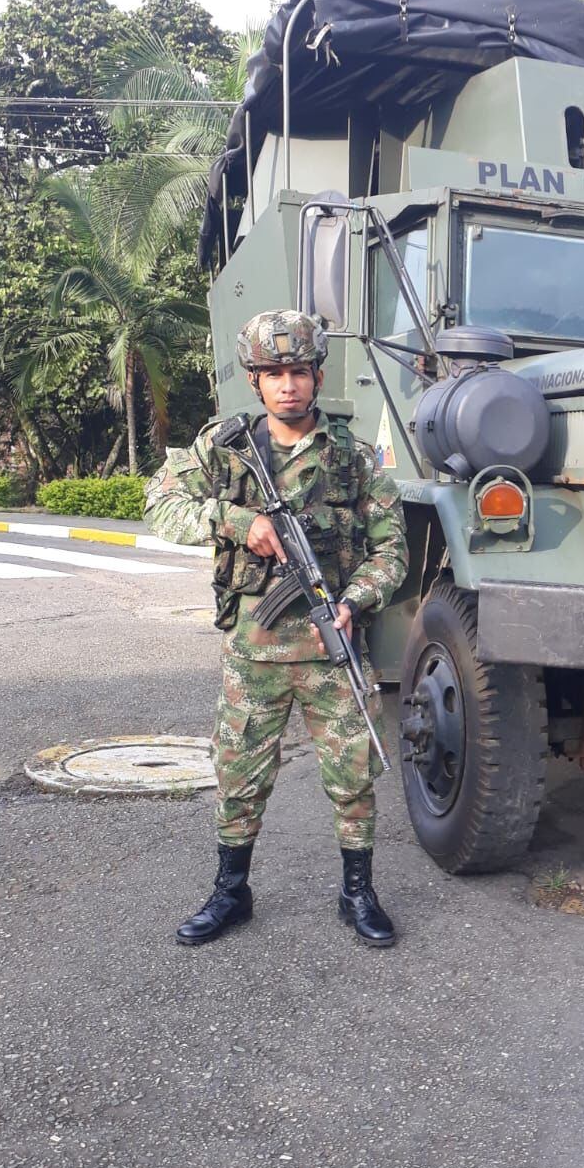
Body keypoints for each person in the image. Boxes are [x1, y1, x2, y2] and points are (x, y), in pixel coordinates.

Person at [145, 310, 409, 948]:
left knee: (353, 774)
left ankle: (357, 892)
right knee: (239, 774)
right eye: (273, 374)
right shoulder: (225, 447)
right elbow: (159, 504)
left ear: (317, 376)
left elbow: (392, 551)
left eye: (298, 371)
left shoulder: (353, 457)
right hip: (253, 652)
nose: (287, 384)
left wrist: (354, 601)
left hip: (331, 648)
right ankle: (231, 892)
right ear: (255, 381)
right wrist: (238, 523)